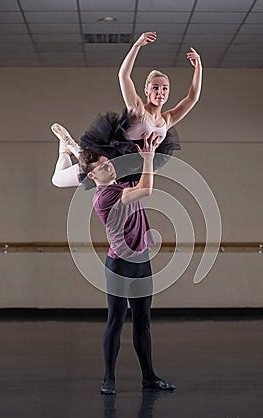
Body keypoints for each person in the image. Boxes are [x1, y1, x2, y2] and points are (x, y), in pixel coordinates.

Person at [78, 132, 176, 395]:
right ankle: (108, 378)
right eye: (102, 167)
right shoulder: (103, 198)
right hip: (120, 266)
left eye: (108, 162)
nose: (109, 166)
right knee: (116, 321)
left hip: (142, 263)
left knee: (143, 322)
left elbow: (137, 172)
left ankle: (149, 377)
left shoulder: (120, 183)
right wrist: (147, 159)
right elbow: (146, 189)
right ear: (91, 176)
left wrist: (146, 147)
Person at [51, 31, 202, 188]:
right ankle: (70, 149)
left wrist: (198, 67)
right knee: (57, 180)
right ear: (147, 90)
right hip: (108, 162)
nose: (160, 92)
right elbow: (123, 75)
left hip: (131, 169)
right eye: (155, 88)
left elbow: (192, 98)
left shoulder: (167, 120)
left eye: (165, 89)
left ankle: (69, 149)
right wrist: (137, 45)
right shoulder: (138, 110)